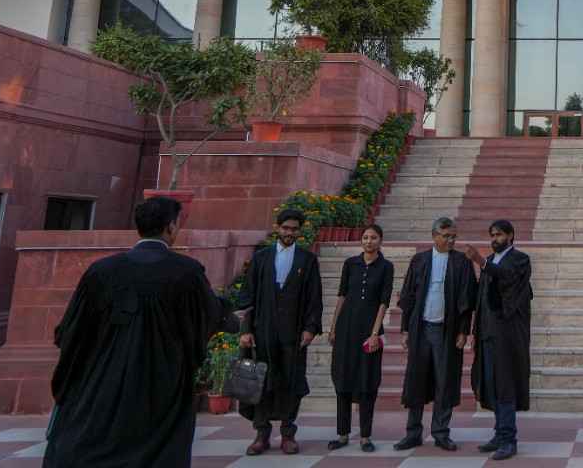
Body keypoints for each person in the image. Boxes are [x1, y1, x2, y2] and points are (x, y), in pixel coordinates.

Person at [43, 196, 232, 468]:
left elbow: (73, 329)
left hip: (103, 375)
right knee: (157, 447)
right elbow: (207, 316)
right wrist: (227, 315)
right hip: (160, 378)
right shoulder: (185, 272)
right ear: (170, 227)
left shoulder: (102, 270)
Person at [236, 208, 324, 457]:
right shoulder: (261, 258)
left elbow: (314, 298)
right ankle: (261, 433)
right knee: (261, 382)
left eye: (294, 229)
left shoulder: (307, 260)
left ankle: (287, 433)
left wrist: (310, 328)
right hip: (262, 332)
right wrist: (245, 330)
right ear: (277, 228)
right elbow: (247, 295)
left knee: (291, 382)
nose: (289, 233)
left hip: (293, 334)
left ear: (300, 231)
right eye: (286, 228)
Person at [394, 216, 477, 452]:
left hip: (447, 331)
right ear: (434, 236)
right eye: (446, 236)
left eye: (454, 236)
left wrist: (463, 330)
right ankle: (413, 433)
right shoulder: (419, 260)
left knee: (445, 381)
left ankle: (441, 432)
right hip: (420, 329)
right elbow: (408, 297)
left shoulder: (461, 262)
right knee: (416, 380)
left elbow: (466, 299)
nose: (451, 240)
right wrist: (405, 329)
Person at [466, 220, 534, 461]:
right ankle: (498, 433)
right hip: (487, 334)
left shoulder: (520, 260)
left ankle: (508, 439)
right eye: (492, 235)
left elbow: (509, 278)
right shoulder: (491, 261)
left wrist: (481, 262)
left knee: (505, 385)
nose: (495, 239)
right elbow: (481, 300)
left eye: (499, 235)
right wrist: (475, 332)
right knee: (491, 385)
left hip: (507, 336)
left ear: (511, 235)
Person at [327, 224, 395, 452]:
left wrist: (375, 334)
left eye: (373, 237)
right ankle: (342, 434)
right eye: (365, 237)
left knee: (367, 383)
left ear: (380, 240)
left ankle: (365, 436)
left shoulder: (386, 267)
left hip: (369, 332)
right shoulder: (350, 264)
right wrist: (333, 327)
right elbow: (342, 296)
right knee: (342, 381)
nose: (368, 241)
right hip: (345, 330)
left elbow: (384, 302)